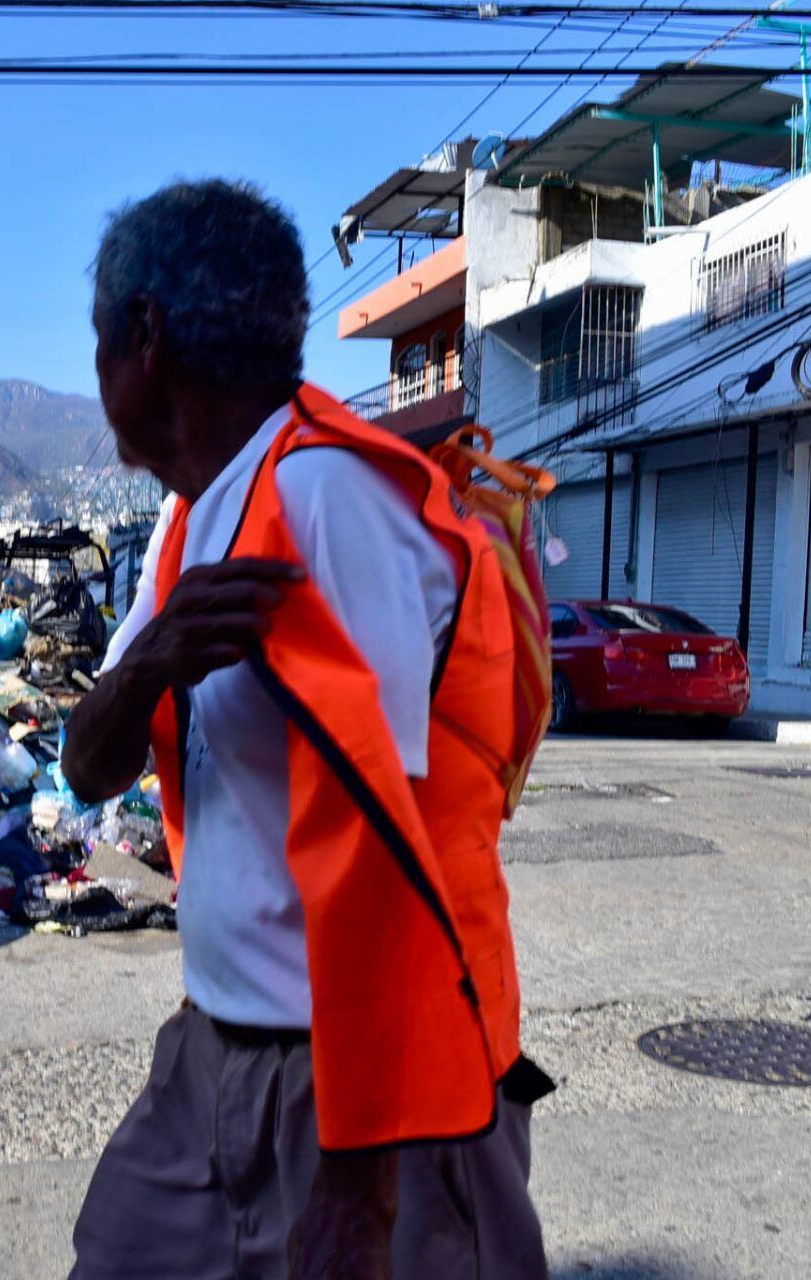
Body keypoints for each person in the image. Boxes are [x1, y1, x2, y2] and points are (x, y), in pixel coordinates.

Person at [62, 179, 552, 1280]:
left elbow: (385, 847)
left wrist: (358, 1189)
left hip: (376, 1089)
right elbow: (88, 766)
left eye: (98, 339)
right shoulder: (191, 524)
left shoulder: (329, 501)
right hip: (211, 1058)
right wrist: (152, 658)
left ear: (143, 338)